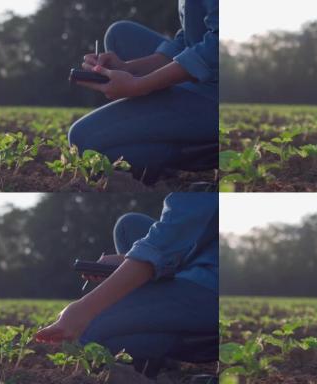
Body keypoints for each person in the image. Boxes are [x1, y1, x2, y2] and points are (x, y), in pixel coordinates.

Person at [35, 193, 218, 374]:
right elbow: (179, 233)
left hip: (212, 285)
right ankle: (158, 341)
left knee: (89, 329)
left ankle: (194, 343)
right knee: (128, 225)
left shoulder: (202, 188)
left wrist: (85, 309)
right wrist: (126, 261)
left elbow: (160, 246)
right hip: (199, 261)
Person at [68, 0, 219, 184]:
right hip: (199, 80)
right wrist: (128, 69)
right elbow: (189, 40)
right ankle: (173, 136)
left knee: (84, 141)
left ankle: (205, 149)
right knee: (120, 34)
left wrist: (141, 85)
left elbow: (216, 47)